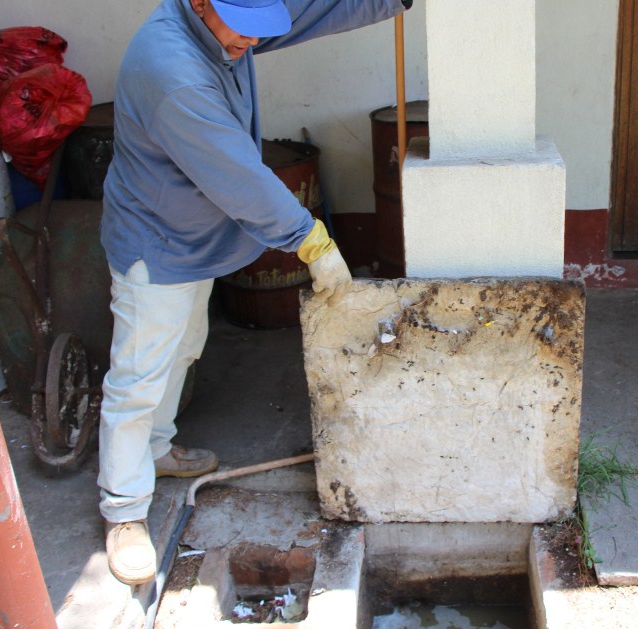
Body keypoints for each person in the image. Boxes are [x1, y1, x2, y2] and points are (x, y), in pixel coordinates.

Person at [98, 0, 411, 586]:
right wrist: (310, 240)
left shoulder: (227, 22)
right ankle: (124, 510)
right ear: (200, 3)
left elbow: (311, 9)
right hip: (156, 241)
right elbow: (238, 174)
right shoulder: (172, 72)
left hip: (191, 235)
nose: (253, 42)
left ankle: (156, 450)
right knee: (139, 376)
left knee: (182, 350)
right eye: (245, 30)